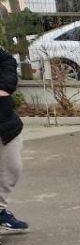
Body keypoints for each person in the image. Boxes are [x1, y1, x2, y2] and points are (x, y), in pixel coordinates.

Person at [0, 46, 28, 233]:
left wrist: (4, 86)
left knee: (12, 166)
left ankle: (0, 211)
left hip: (4, 122)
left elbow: (8, 61)